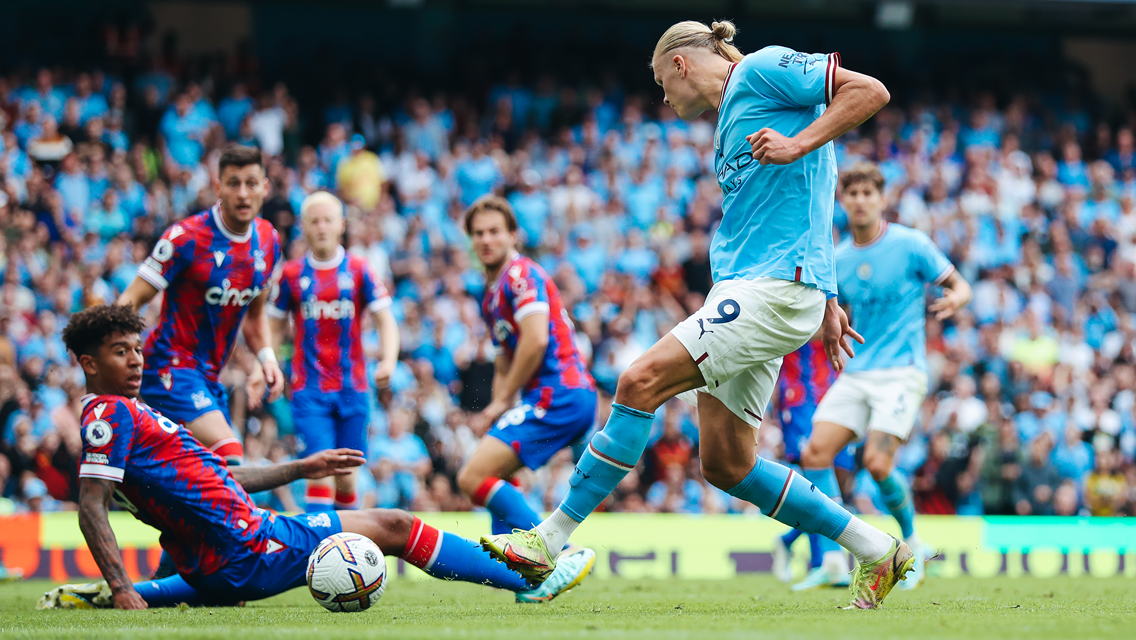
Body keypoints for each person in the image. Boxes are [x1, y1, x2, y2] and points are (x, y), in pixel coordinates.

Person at [483, 20, 912, 610]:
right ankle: (876, 547)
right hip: (766, 287)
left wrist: (798, 143)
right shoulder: (727, 122)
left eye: (662, 83)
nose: (665, 98)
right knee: (727, 463)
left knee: (638, 381)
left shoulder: (761, 70)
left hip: (770, 290)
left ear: (681, 65)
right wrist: (828, 293)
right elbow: (805, 200)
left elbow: (870, 92)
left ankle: (547, 540)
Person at [37, 304, 594, 610]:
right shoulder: (108, 416)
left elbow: (217, 479)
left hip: (227, 551)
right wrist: (121, 585)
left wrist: (302, 468)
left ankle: (123, 597)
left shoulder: (130, 413)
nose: (136, 361)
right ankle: (528, 580)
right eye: (120, 352)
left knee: (213, 582)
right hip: (246, 547)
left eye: (138, 349)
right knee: (393, 526)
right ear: (89, 363)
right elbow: (91, 505)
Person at [800, 163, 973, 590]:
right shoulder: (837, 259)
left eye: (867, 193)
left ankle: (910, 545)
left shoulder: (911, 244)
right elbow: (827, 314)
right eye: (852, 193)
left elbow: (960, 285)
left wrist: (955, 300)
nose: (859, 200)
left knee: (878, 464)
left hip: (902, 372)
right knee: (815, 455)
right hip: (859, 371)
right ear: (843, 201)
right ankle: (838, 561)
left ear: (882, 199)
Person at [118, 145, 285, 467]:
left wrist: (266, 359)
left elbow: (254, 314)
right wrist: (117, 353)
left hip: (210, 377)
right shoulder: (185, 238)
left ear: (265, 187)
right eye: (233, 183)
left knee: (203, 475)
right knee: (230, 454)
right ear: (217, 186)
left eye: (251, 183)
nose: (242, 193)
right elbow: (131, 299)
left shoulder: (268, 240)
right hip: (170, 365)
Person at [456, 196, 597, 539]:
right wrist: (495, 408)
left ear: (513, 236)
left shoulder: (520, 274)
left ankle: (556, 553)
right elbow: (503, 361)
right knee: (498, 475)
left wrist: (504, 400)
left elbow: (534, 341)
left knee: (471, 478)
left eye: (494, 231)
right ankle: (519, 576)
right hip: (554, 394)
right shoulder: (491, 295)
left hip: (559, 392)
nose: (486, 240)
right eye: (478, 233)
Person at [268, 191, 399, 512]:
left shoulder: (359, 269)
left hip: (353, 387)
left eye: (328, 220)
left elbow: (385, 319)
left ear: (341, 224)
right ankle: (323, 552)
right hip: (309, 390)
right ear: (305, 227)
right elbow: (271, 325)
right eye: (314, 221)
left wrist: (389, 360)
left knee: (347, 476)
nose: (322, 227)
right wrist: (269, 363)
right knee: (318, 471)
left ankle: (345, 549)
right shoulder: (292, 275)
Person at [769, 340, 857, 590]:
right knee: (814, 479)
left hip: (834, 391)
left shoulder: (839, 304)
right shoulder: (811, 303)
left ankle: (788, 541)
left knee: (839, 484)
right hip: (800, 395)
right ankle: (824, 563)